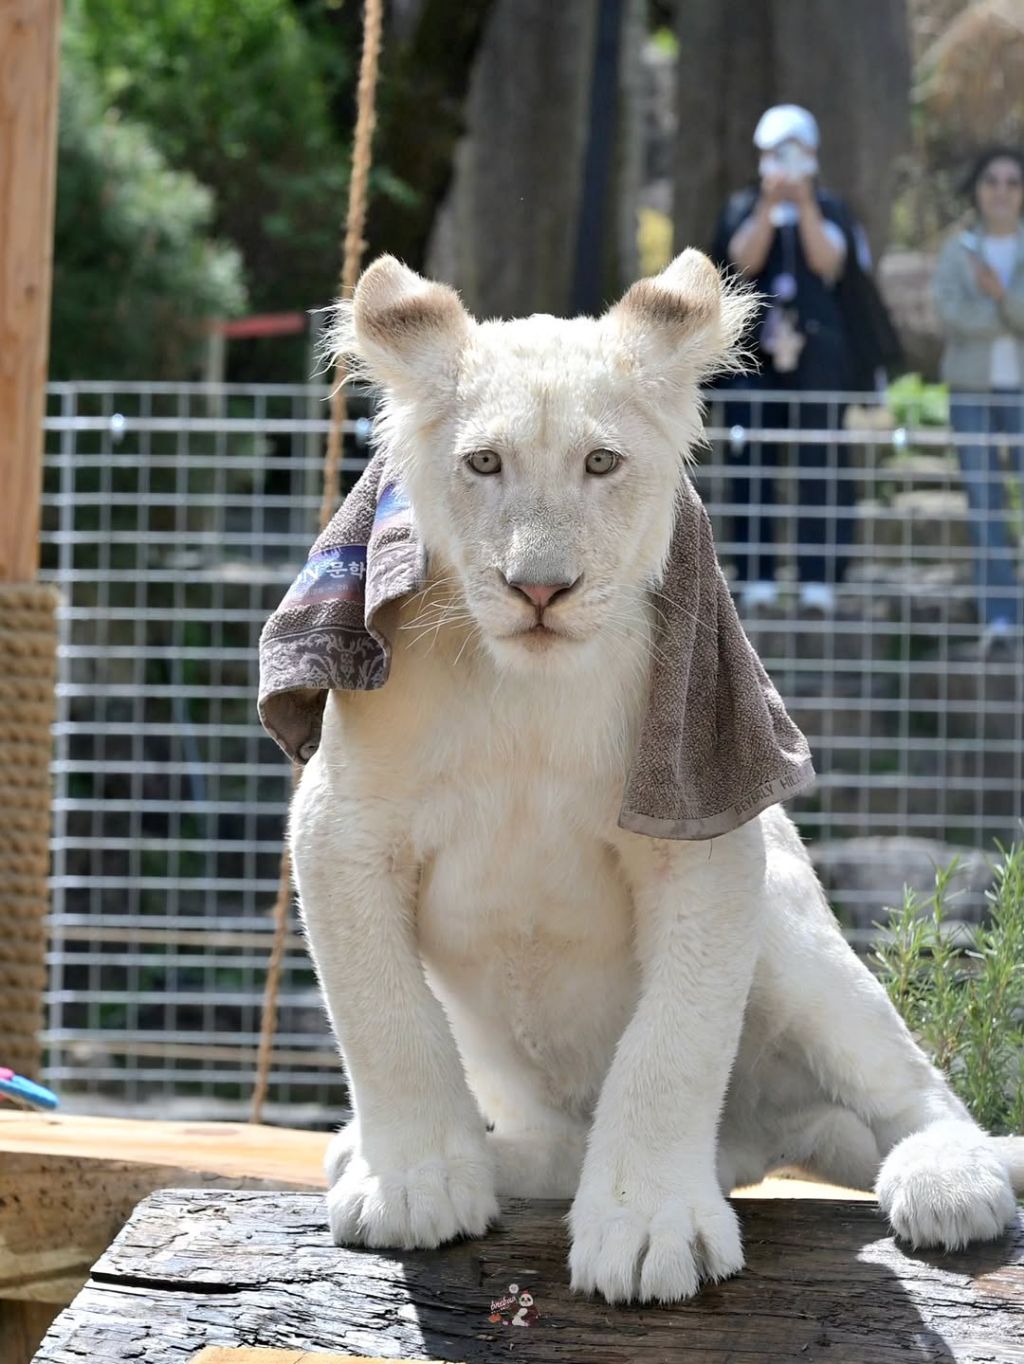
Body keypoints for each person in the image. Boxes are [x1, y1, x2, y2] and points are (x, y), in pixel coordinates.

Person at [711, 104, 896, 614]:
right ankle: (757, 574)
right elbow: (740, 261)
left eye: (794, 152)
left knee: (821, 458)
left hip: (820, 356)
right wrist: (770, 206)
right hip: (755, 357)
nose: (784, 162)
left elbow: (829, 262)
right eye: (774, 152)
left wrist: (805, 202)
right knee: (753, 457)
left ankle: (820, 576)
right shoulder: (742, 207)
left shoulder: (833, 210)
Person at [933, 146, 1024, 645]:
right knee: (985, 503)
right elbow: (950, 313)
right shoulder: (957, 250)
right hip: (972, 394)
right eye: (993, 181)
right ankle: (1002, 617)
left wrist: (995, 295)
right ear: (978, 190)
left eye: (1013, 182)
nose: (1002, 191)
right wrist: (1007, 314)